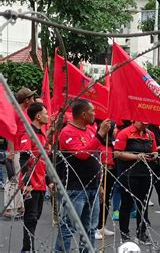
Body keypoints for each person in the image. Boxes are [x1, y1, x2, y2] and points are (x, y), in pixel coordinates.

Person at [54, 99, 111, 252]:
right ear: (83, 114)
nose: (95, 114)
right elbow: (83, 155)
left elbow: (95, 158)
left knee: (90, 229)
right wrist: (100, 135)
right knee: (68, 228)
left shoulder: (91, 129)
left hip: (93, 187)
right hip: (75, 189)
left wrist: (100, 185)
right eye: (92, 111)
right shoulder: (67, 132)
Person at [114, 121, 158, 244]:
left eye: (147, 124)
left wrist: (154, 154)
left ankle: (141, 233)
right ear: (135, 120)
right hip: (129, 174)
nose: (145, 126)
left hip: (146, 173)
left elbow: (154, 150)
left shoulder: (150, 134)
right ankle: (124, 233)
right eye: (143, 123)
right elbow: (117, 153)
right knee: (126, 204)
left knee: (143, 204)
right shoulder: (125, 133)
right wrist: (136, 157)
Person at [20, 102, 53, 252]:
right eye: (45, 113)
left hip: (41, 183)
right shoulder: (28, 134)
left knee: (36, 217)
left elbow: (44, 161)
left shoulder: (42, 134)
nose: (48, 116)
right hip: (31, 184)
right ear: (38, 116)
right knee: (30, 218)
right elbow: (24, 160)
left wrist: (49, 181)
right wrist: (26, 183)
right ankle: (27, 249)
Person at [3, 87, 35, 219]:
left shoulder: (25, 112)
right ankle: (9, 208)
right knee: (13, 178)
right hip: (16, 149)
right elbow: (10, 132)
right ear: (26, 100)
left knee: (19, 177)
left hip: (22, 149)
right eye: (32, 97)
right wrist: (11, 151)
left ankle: (19, 206)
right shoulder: (16, 112)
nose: (33, 99)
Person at [95, 121, 117, 240]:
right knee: (100, 200)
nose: (116, 130)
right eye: (115, 128)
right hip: (101, 172)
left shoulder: (112, 143)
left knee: (107, 200)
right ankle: (95, 227)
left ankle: (102, 225)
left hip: (111, 172)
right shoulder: (98, 143)